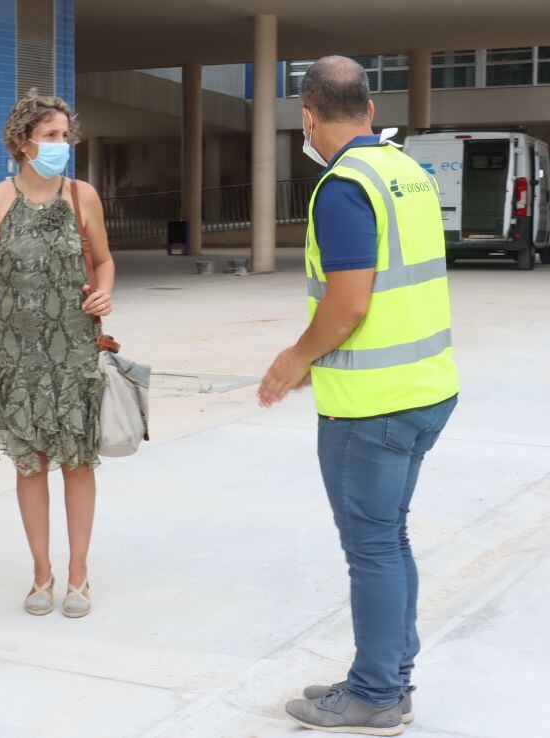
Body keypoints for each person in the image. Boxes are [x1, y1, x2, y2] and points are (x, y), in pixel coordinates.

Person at [259, 56, 459, 736]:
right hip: (427, 388)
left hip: (371, 405)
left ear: (308, 117)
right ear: (369, 110)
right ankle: (388, 676)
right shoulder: (407, 172)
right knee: (388, 538)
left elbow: (347, 303)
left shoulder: (343, 186)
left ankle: (375, 693)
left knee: (370, 546)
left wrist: (294, 360)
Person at [0, 91, 114, 619]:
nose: (61, 145)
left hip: (73, 347)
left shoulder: (83, 196)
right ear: (22, 141)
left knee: (77, 460)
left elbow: (104, 260)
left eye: (64, 135)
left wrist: (105, 291)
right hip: (15, 351)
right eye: (50, 136)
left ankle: (78, 575)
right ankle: (41, 574)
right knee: (30, 464)